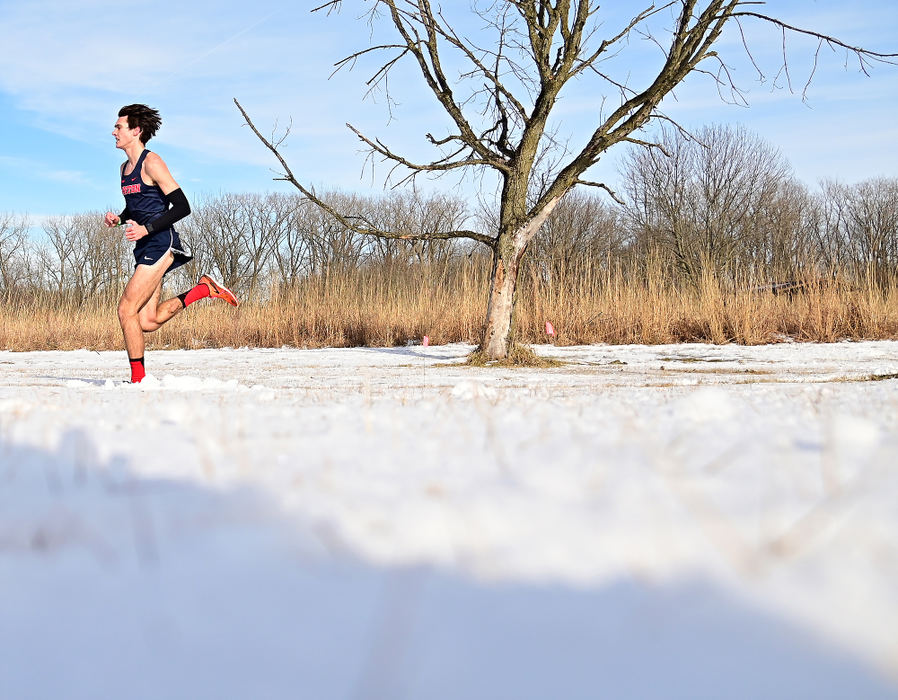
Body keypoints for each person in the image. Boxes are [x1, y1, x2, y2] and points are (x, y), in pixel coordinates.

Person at [104, 104, 238, 383]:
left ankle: (137, 380)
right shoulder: (123, 169)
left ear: (136, 131)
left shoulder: (151, 162)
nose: (113, 131)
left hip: (160, 242)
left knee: (125, 310)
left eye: (119, 127)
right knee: (146, 321)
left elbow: (182, 206)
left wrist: (147, 229)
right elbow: (137, 207)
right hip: (144, 244)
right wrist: (119, 219)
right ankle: (204, 289)